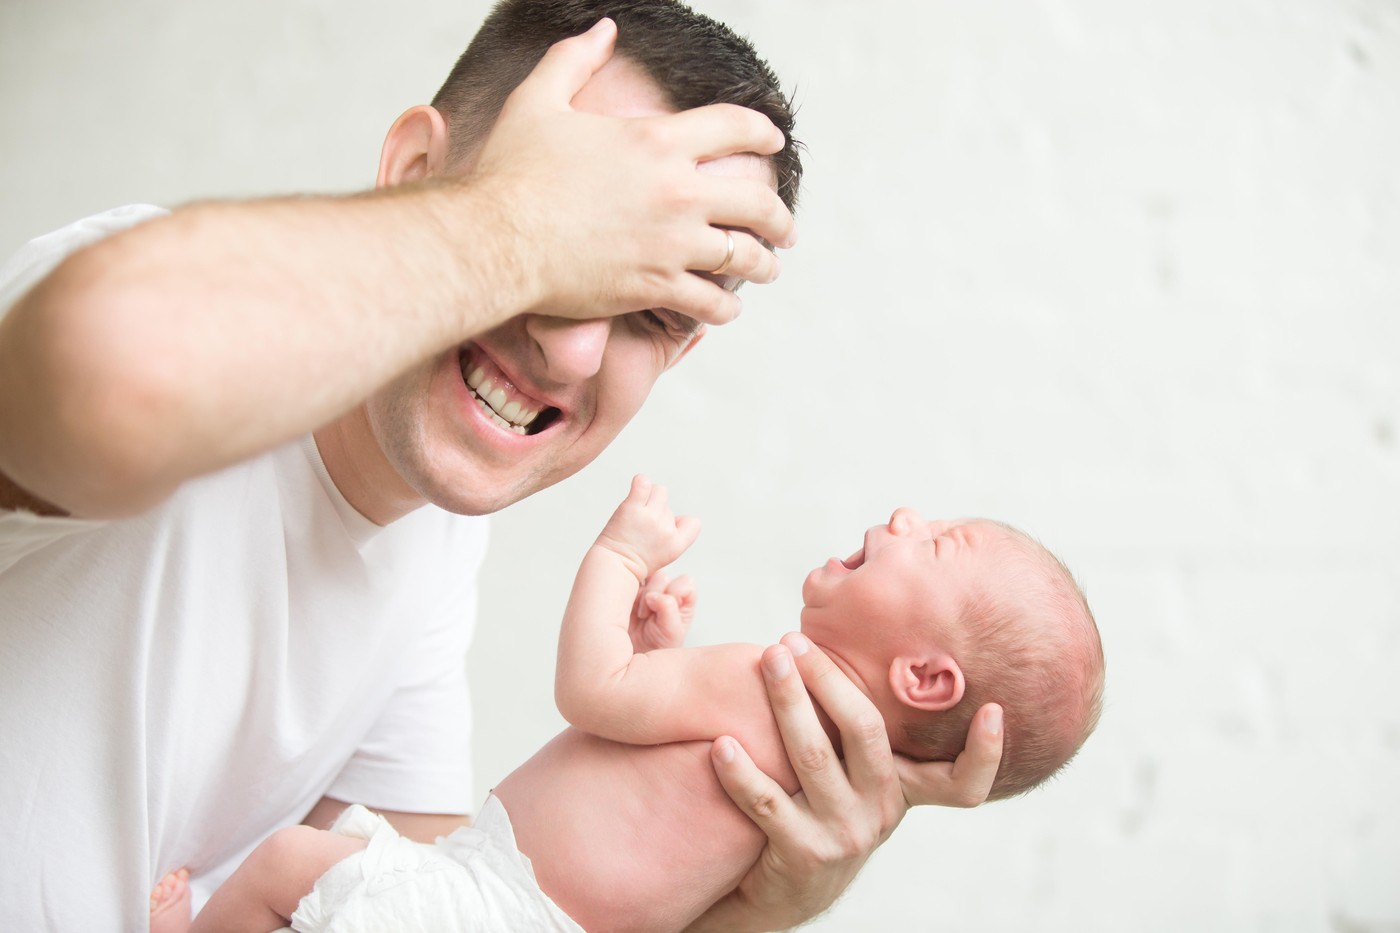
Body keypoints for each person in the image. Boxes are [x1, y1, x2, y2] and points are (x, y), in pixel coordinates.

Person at [0, 2, 1005, 930]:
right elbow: (110, 373)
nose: (573, 351)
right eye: (575, 240)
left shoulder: (433, 544)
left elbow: (443, 906)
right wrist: (516, 226)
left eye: (646, 307)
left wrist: (743, 906)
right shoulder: (152, 297)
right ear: (411, 171)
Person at [150, 476, 1099, 932]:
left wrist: (619, 558)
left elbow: (590, 692)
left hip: (495, 903)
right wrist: (657, 658)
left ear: (925, 681)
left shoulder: (764, 679)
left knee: (287, 865)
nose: (906, 518)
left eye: (938, 545)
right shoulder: (802, 785)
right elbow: (654, 811)